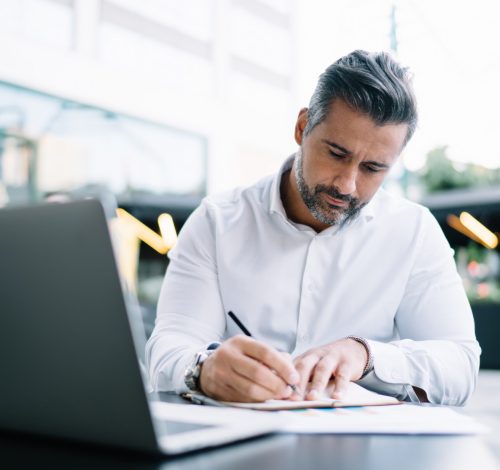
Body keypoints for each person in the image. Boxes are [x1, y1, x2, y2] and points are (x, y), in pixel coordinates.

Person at [146, 50, 480, 405]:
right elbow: (168, 349)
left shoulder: (414, 232)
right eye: (337, 154)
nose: (347, 185)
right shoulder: (217, 221)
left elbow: (459, 367)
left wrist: (366, 355)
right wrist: (203, 369)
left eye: (373, 168)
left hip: (364, 452)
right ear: (302, 127)